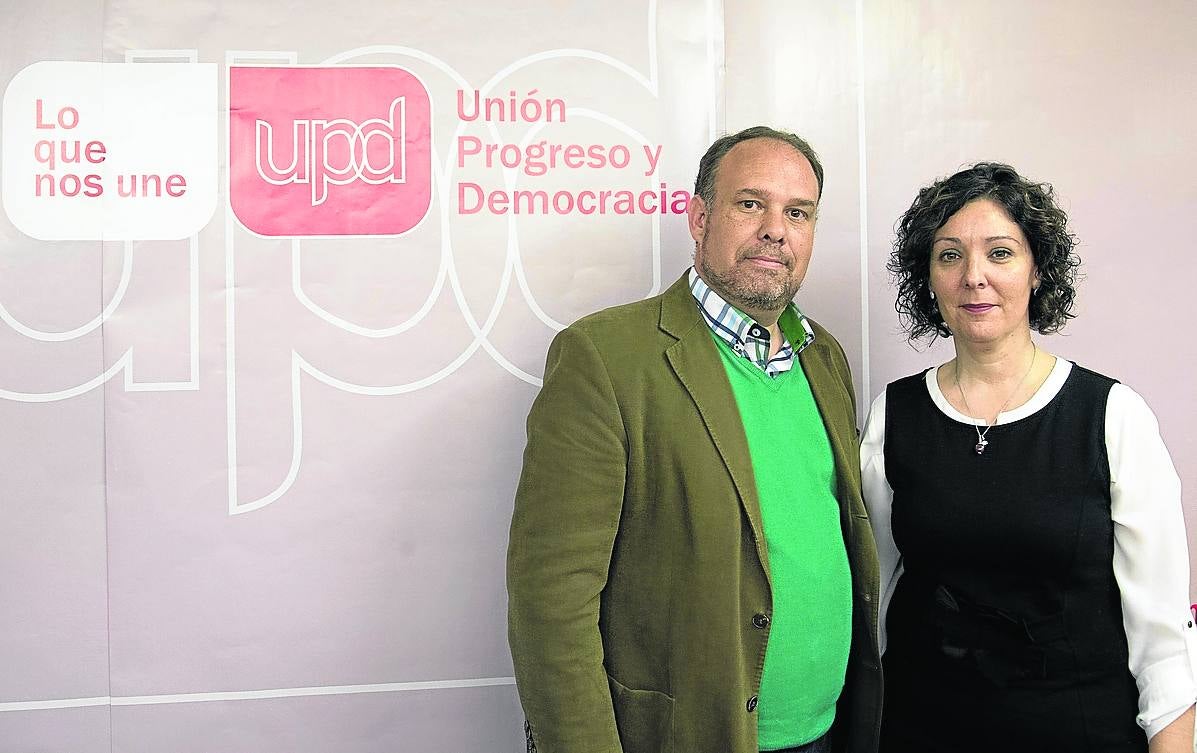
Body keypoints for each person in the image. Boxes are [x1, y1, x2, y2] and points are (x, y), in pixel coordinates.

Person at [507, 126, 883, 753]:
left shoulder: (825, 358)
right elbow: (552, 599)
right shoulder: (605, 358)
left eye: (798, 212)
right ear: (700, 216)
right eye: (750, 203)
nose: (774, 229)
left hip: (829, 731)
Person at [861, 162, 1197, 752]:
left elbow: (1163, 643)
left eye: (1000, 252)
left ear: (1038, 270)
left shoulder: (1112, 416)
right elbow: (879, 600)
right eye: (949, 256)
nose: (974, 277)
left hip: (1080, 733)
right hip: (924, 732)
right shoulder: (894, 415)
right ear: (928, 278)